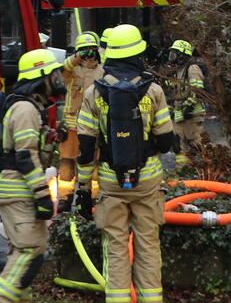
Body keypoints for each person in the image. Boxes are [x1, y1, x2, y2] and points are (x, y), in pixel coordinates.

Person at [75, 24, 175, 303]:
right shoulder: (153, 90)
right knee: (148, 246)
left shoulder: (94, 93)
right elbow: (166, 141)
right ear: (137, 53)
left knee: (116, 248)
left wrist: (84, 187)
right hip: (148, 181)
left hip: (111, 181)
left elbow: (85, 148)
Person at [0, 48, 66, 303]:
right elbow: (25, 157)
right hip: (18, 190)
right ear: (42, 77)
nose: (58, 79)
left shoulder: (28, 108)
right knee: (29, 253)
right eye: (54, 74)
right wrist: (43, 195)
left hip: (18, 189)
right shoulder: (24, 110)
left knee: (24, 254)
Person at [57, 32, 104, 184]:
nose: (89, 54)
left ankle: (90, 193)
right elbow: (64, 68)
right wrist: (78, 57)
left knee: (94, 162)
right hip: (72, 124)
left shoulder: (102, 70)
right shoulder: (72, 70)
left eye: (92, 50)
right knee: (67, 166)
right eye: (85, 50)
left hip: (94, 124)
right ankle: (66, 195)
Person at [163, 39, 207, 172]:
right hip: (180, 116)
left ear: (182, 54)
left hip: (192, 116)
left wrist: (186, 110)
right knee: (178, 147)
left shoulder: (192, 68)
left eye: (174, 54)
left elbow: (197, 91)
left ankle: (202, 172)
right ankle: (182, 173)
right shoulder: (179, 71)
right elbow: (175, 93)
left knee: (196, 145)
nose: (172, 58)